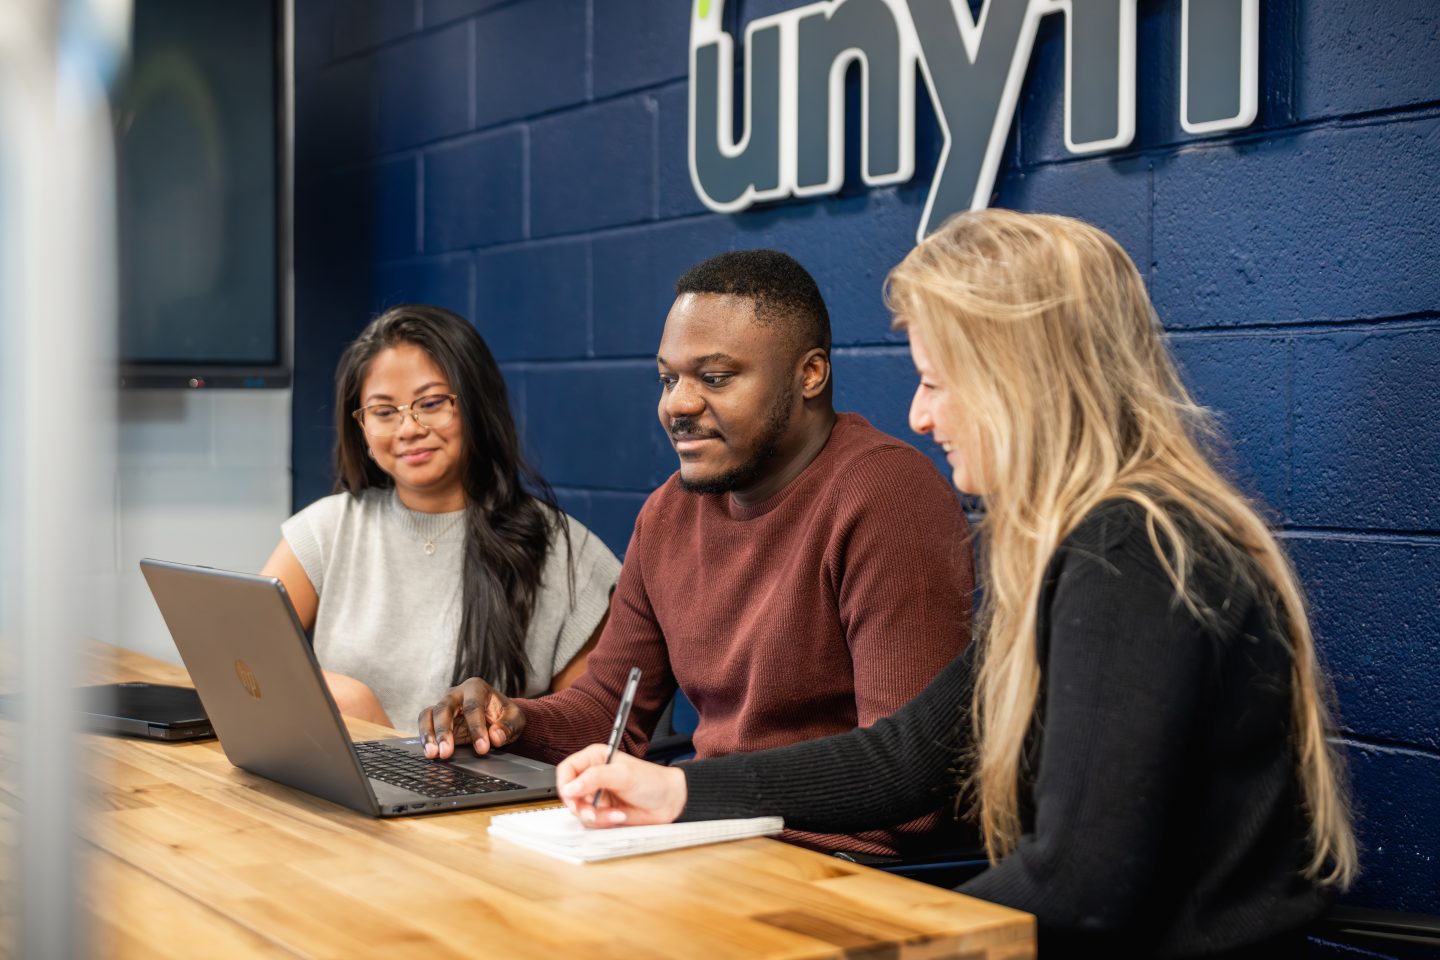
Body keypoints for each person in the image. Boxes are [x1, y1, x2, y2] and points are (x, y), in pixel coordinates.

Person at [553, 212, 1358, 956]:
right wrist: (675, 791)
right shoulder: (1067, 547)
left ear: (1025, 384)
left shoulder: (1132, 551)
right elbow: (904, 758)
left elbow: (1082, 887)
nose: (919, 414)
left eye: (937, 381)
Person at [419, 250, 976, 855]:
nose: (677, 405)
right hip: (709, 833)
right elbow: (611, 713)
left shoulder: (884, 495)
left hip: (838, 864)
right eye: (668, 379)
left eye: (714, 378)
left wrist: (688, 794)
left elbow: (909, 782)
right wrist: (514, 721)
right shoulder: (668, 512)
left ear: (809, 374)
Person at [261, 304, 620, 729]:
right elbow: (239, 657)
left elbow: (588, 731)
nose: (408, 427)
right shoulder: (327, 530)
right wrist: (353, 703)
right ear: (360, 426)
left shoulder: (567, 553)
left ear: (477, 405)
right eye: (383, 411)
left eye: (431, 403)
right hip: (334, 787)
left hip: (488, 793)